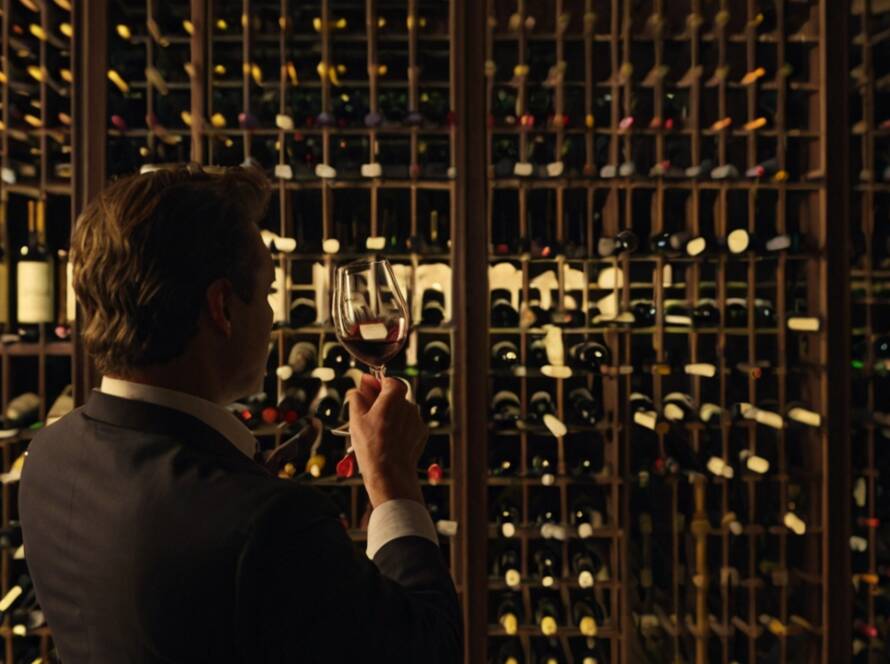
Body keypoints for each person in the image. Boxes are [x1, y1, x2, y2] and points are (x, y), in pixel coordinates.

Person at [19, 163, 462, 663]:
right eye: (270, 292)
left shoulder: (47, 458)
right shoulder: (268, 524)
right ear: (222, 308)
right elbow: (430, 648)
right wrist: (392, 476)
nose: (273, 315)